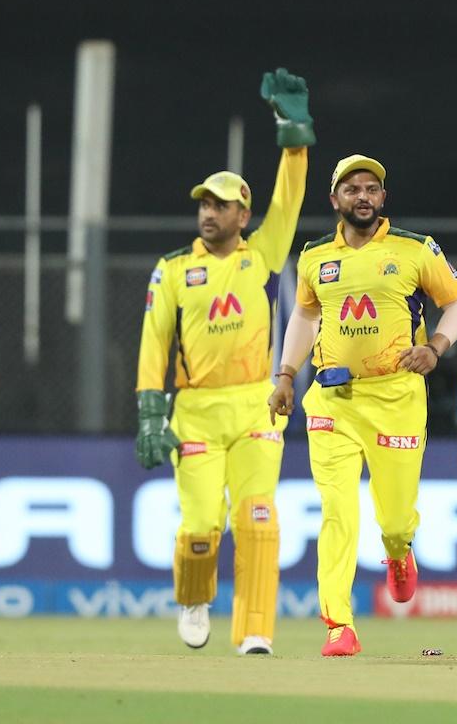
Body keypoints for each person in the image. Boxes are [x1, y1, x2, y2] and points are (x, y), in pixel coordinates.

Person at [135, 68, 314, 655]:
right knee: (200, 533)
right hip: (195, 414)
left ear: (244, 214)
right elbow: (154, 345)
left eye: (222, 205)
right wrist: (149, 414)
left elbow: (290, 197)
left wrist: (294, 132)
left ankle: (255, 629)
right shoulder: (172, 269)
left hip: (254, 406)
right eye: (204, 205)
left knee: (259, 519)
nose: (209, 213)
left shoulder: (262, 255)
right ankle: (193, 597)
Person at [268, 154, 457, 657]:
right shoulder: (315, 255)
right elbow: (303, 318)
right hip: (332, 399)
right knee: (337, 511)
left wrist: (436, 348)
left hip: (397, 396)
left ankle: (399, 551)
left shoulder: (414, 248)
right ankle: (339, 624)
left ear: (382, 198)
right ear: (334, 199)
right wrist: (286, 374)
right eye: (352, 188)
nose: (363, 196)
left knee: (396, 519)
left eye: (371, 189)